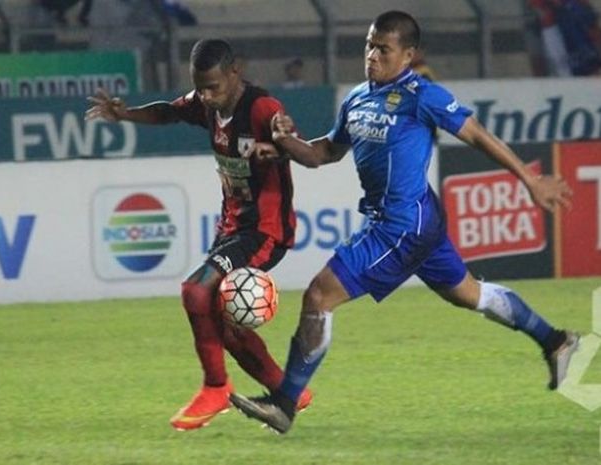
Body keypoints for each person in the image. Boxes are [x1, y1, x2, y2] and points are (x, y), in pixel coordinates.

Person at [230, 10, 578, 434]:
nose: (372, 55)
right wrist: (284, 144)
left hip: (402, 225)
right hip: (411, 220)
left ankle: (284, 404)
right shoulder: (357, 97)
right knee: (469, 294)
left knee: (319, 296)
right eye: (369, 45)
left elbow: (478, 135)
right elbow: (323, 153)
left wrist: (530, 178)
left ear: (408, 54)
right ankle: (556, 341)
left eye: (383, 49)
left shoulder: (421, 94)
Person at [85, 39, 311, 431]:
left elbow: (287, 137)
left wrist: (279, 144)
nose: (206, 96)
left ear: (234, 73)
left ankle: (216, 387)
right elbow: (167, 112)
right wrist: (125, 115)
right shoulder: (206, 105)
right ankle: (287, 389)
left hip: (264, 229)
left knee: (196, 290)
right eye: (200, 88)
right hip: (232, 228)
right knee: (221, 322)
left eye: (214, 87)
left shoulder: (261, 107)